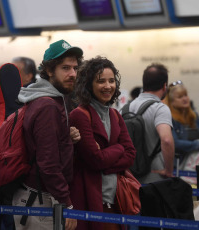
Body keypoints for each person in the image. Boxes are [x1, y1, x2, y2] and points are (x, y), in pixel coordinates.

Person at [11, 39, 83, 230]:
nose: (72, 74)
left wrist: (66, 137)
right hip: (41, 201)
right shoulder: (48, 105)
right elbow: (48, 164)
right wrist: (66, 202)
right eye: (65, 68)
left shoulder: (52, 99)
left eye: (75, 68)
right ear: (49, 70)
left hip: (40, 197)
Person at [69, 56, 136, 230]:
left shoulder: (115, 114)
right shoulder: (80, 115)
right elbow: (94, 159)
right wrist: (118, 148)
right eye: (101, 81)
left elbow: (130, 154)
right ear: (88, 84)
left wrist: (106, 158)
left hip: (117, 200)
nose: (108, 86)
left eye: (112, 81)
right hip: (90, 198)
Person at [128, 63, 175, 184]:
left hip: (129, 175)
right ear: (165, 86)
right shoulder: (160, 109)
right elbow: (167, 140)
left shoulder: (125, 108)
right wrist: (169, 170)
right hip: (154, 174)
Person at [162, 81, 199, 183]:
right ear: (172, 102)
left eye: (185, 95)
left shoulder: (194, 115)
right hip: (179, 163)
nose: (185, 99)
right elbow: (175, 143)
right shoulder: (169, 118)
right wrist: (198, 144)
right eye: (180, 97)